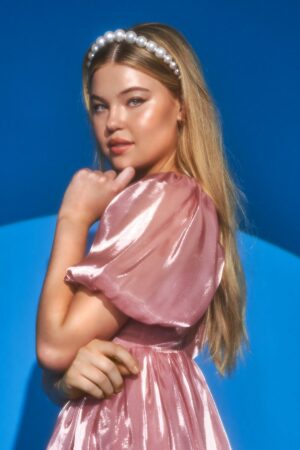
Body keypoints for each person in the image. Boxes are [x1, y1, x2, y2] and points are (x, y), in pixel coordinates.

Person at [36, 22, 249, 449]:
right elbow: (68, 359)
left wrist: (74, 217)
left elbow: (55, 343)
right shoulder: (190, 202)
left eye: (135, 101)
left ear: (181, 106)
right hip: (160, 415)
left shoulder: (163, 199)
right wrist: (62, 381)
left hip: (129, 424)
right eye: (99, 106)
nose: (114, 121)